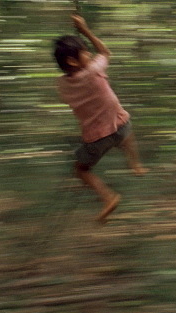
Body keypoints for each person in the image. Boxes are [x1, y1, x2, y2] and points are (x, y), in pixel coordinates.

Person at [54, 14, 145, 223]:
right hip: (121, 127)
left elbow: (69, 79)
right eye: (85, 52)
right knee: (127, 134)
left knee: (81, 169)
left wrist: (79, 57)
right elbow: (105, 52)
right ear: (72, 60)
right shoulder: (95, 71)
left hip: (96, 140)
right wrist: (85, 30)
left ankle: (108, 197)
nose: (89, 54)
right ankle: (135, 164)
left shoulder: (61, 85)